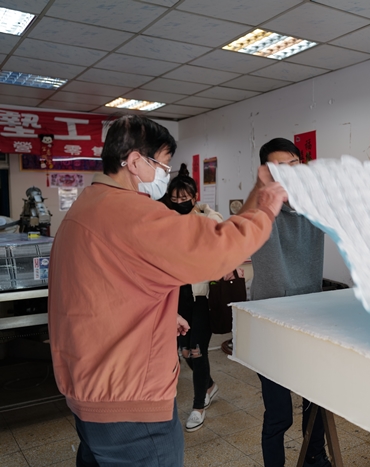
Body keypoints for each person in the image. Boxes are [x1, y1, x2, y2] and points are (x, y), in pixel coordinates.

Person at [48, 115, 286, 467]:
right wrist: (266, 204)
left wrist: (157, 315)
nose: (164, 174)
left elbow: (97, 290)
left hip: (88, 389)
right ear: (134, 161)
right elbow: (216, 251)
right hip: (130, 403)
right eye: (161, 165)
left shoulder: (86, 208)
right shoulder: (131, 212)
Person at [243, 138, 330, 467]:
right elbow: (240, 223)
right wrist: (261, 186)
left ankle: (315, 459)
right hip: (270, 328)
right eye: (279, 168)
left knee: (316, 406)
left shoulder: (315, 208)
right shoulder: (263, 210)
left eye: (294, 165)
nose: (289, 173)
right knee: (279, 414)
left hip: (309, 323)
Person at [162, 163, 230, 432]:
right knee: (184, 351)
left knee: (197, 352)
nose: (179, 203)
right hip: (176, 297)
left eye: (184, 198)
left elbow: (219, 232)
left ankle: (198, 406)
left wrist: (202, 211)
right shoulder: (167, 221)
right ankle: (210, 386)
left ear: (194, 197)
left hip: (200, 297)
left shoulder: (207, 218)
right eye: (174, 198)